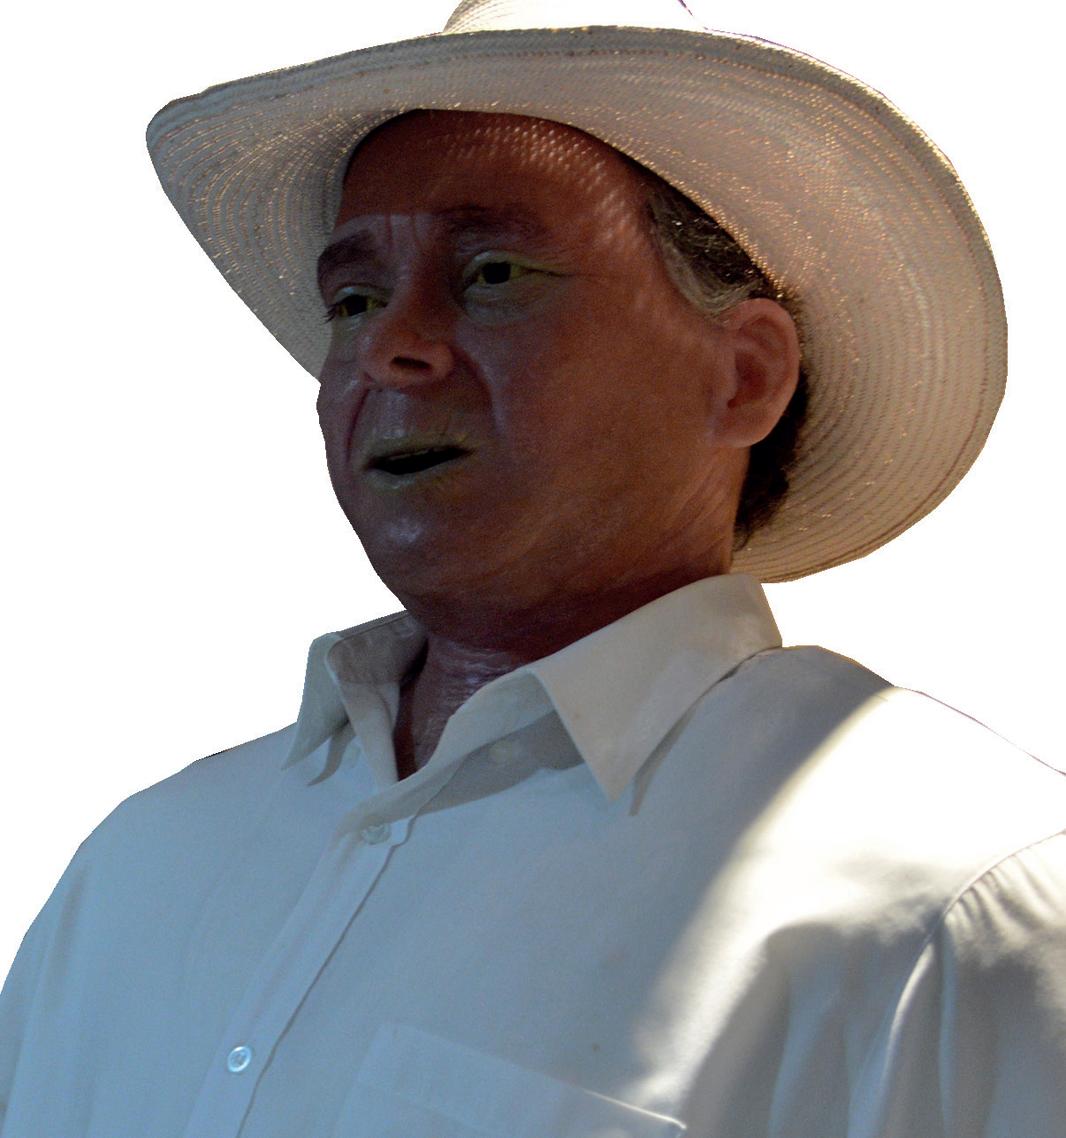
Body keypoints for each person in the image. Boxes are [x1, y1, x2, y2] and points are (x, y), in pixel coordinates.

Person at [2, 1, 1064, 1135]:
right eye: (352, 301)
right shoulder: (142, 865)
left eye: (494, 273)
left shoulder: (960, 902)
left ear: (745, 374)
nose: (387, 348)